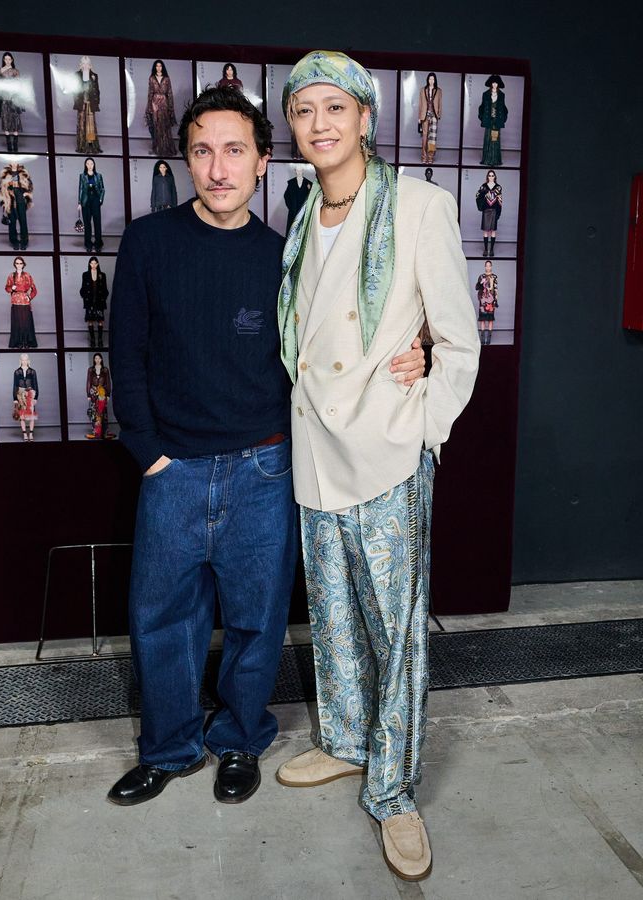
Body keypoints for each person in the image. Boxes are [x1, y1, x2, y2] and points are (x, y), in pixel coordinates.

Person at [107, 85, 425, 810]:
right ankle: (168, 749)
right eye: (202, 152)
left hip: (264, 465)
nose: (218, 168)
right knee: (162, 620)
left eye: (234, 150)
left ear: (262, 161)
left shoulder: (288, 256)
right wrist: (148, 451)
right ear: (186, 161)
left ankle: (241, 741)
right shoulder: (148, 242)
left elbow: (346, 334)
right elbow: (126, 352)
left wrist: (420, 350)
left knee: (256, 620)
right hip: (173, 468)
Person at [274, 51, 480, 883]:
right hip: (315, 449)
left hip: (387, 448)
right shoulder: (302, 214)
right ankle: (347, 741)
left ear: (365, 117)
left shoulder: (421, 206)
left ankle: (394, 791)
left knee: (396, 631)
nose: (319, 124)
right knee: (331, 615)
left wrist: (424, 426)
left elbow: (458, 338)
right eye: (303, 110)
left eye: (336, 108)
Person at [145, 60, 177, 157]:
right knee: (156, 126)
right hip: (154, 103)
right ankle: (157, 148)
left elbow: (170, 93)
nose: (158, 68)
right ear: (155, 67)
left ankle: (166, 148)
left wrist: (171, 107)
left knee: (165, 125)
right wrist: (149, 107)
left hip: (164, 102)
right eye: (157, 66)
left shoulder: (166, 78)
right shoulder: (151, 78)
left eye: (160, 66)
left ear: (162, 67)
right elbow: (150, 93)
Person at [0, 160, 32, 251]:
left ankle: (24, 242)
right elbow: (1, 188)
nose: (14, 162)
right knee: (12, 222)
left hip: (20, 198)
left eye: (15, 161)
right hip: (10, 199)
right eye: (12, 161)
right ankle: (14, 242)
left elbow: (30, 185)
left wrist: (26, 194)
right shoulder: (5, 173)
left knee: (23, 221)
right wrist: (4, 200)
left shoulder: (24, 172)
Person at [0, 52, 24, 153]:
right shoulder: (0, 70)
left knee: (15, 122)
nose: (7, 61)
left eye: (9, 59)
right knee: (6, 121)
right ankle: (9, 146)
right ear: (3, 60)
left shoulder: (16, 71)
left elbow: (19, 85)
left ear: (12, 60)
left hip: (13, 99)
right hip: (4, 98)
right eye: (5, 59)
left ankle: (15, 146)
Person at [5, 255, 37, 349]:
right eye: (17, 263)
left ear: (23, 264)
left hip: (25, 302)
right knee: (17, 322)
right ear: (14, 264)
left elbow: (33, 289)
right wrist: (12, 288)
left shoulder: (27, 275)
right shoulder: (11, 276)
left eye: (20, 263)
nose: (19, 265)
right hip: (15, 302)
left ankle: (26, 342)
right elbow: (7, 288)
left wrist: (29, 297)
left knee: (26, 322)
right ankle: (18, 342)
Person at [73, 56, 101, 155]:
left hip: (90, 103)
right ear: (81, 65)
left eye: (87, 63)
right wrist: (77, 101)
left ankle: (91, 145)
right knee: (81, 124)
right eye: (83, 63)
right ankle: (81, 145)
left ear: (90, 65)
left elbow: (97, 90)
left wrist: (96, 102)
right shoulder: (76, 75)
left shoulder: (94, 76)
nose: (85, 65)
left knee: (91, 125)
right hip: (81, 102)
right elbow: (74, 90)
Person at [478, 75, 508, 166]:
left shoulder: (502, 95)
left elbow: (504, 108)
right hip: (488, 120)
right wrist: (482, 117)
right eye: (493, 83)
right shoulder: (485, 94)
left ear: (498, 84)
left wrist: (503, 118)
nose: (494, 84)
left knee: (495, 139)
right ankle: (487, 160)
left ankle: (495, 160)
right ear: (491, 84)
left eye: (496, 83)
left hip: (496, 120)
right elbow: (482, 107)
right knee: (488, 139)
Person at [80, 255, 108, 347]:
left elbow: (105, 288)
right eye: (92, 263)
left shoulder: (102, 275)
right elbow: (83, 288)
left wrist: (104, 297)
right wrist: (84, 297)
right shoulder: (85, 274)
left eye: (95, 263)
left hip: (99, 300)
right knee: (90, 320)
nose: (93, 265)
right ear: (89, 264)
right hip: (89, 300)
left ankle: (100, 340)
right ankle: (92, 340)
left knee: (100, 320)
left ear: (97, 264)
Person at [77, 157, 105, 252]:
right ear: (85, 165)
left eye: (91, 163)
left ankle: (98, 244)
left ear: (94, 165)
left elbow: (102, 189)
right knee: (87, 223)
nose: (90, 165)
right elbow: (80, 189)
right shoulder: (82, 176)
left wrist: (100, 200)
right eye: (88, 163)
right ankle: (88, 244)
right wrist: (79, 203)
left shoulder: (99, 176)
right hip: (86, 200)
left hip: (95, 200)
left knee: (97, 223)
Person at [85, 352, 113, 439]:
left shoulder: (105, 370)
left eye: (99, 358)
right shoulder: (90, 370)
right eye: (96, 358)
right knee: (94, 412)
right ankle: (95, 431)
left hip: (102, 393)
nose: (97, 360)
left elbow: (108, 382)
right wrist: (88, 394)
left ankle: (104, 431)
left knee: (103, 412)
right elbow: (88, 382)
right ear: (94, 359)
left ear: (101, 359)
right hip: (93, 393)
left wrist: (108, 394)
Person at [475, 169, 503, 257]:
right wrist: (483, 194)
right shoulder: (483, 186)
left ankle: (491, 250)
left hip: (494, 210)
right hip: (486, 210)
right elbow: (477, 195)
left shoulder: (498, 187)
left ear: (495, 177)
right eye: (489, 175)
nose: (491, 177)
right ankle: (485, 249)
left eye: (492, 175)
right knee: (486, 231)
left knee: (493, 231)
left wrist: (499, 212)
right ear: (487, 177)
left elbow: (500, 200)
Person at [13, 352, 38, 441]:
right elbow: (15, 386)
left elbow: (35, 384)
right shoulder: (17, 372)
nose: (24, 362)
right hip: (20, 395)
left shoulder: (32, 371)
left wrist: (36, 398)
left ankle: (31, 434)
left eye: (26, 360)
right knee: (22, 416)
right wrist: (15, 399)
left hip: (30, 394)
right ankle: (25, 435)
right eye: (23, 360)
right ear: (20, 361)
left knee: (31, 416)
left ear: (28, 360)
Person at [418, 72, 441, 164]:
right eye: (430, 79)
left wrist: (439, 114)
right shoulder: (423, 90)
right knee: (424, 136)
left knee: (432, 138)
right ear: (427, 80)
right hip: (425, 115)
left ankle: (430, 157)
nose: (431, 81)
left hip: (434, 115)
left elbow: (440, 103)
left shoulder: (438, 91)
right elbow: (420, 104)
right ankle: (424, 157)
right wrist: (419, 117)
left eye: (433, 79)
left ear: (435, 80)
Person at [476, 258, 498, 345]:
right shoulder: (481, 276)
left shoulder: (494, 277)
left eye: (489, 266)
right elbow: (477, 287)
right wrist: (481, 283)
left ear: (491, 266)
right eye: (486, 266)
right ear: (485, 267)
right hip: (483, 300)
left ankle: (489, 337)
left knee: (490, 319)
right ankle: (482, 337)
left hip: (491, 300)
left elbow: (495, 289)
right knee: (482, 319)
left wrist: (496, 300)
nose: (488, 267)